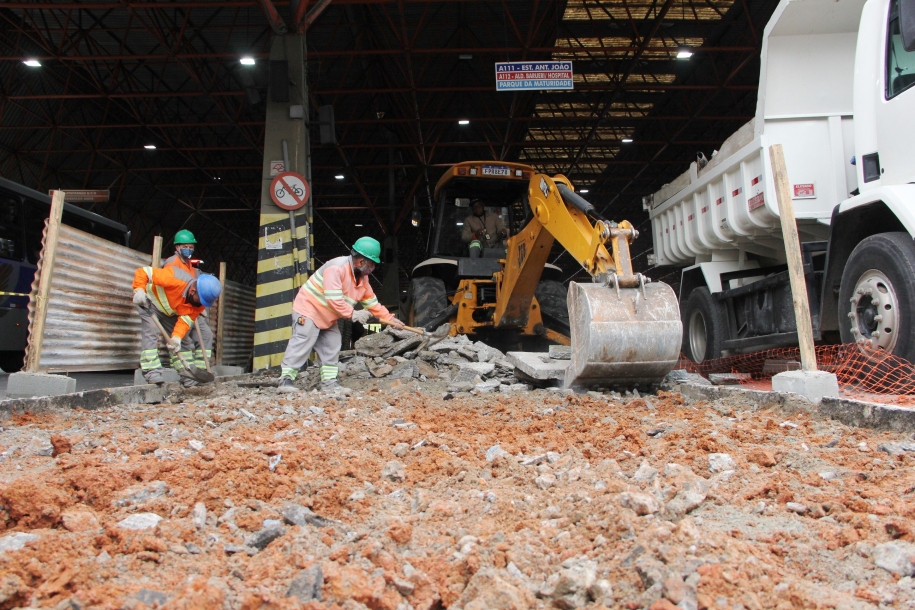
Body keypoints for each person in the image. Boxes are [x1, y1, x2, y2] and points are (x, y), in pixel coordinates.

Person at [276, 237, 405, 393]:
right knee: (303, 341)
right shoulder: (336, 268)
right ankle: (285, 381)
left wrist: (391, 320)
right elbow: (334, 300)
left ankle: (329, 384)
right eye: (371, 264)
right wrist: (353, 314)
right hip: (309, 309)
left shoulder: (363, 280)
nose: (372, 269)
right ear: (361, 261)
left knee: (332, 344)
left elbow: (372, 304)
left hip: (328, 316)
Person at [132, 264, 222, 385]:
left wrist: (177, 337)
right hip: (148, 302)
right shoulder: (174, 278)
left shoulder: (199, 304)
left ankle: (188, 377)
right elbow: (143, 272)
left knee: (182, 342)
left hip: (169, 311)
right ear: (192, 290)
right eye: (199, 300)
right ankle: (152, 373)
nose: (201, 304)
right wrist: (139, 290)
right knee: (151, 331)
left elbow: (185, 321)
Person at [162, 230, 213, 384]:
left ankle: (201, 372)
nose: (189, 250)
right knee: (184, 341)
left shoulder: (190, 265)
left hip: (192, 308)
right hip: (180, 308)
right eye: (185, 246)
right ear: (177, 247)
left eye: (191, 247)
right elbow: (171, 287)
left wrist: (201, 309)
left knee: (206, 335)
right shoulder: (172, 263)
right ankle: (189, 378)